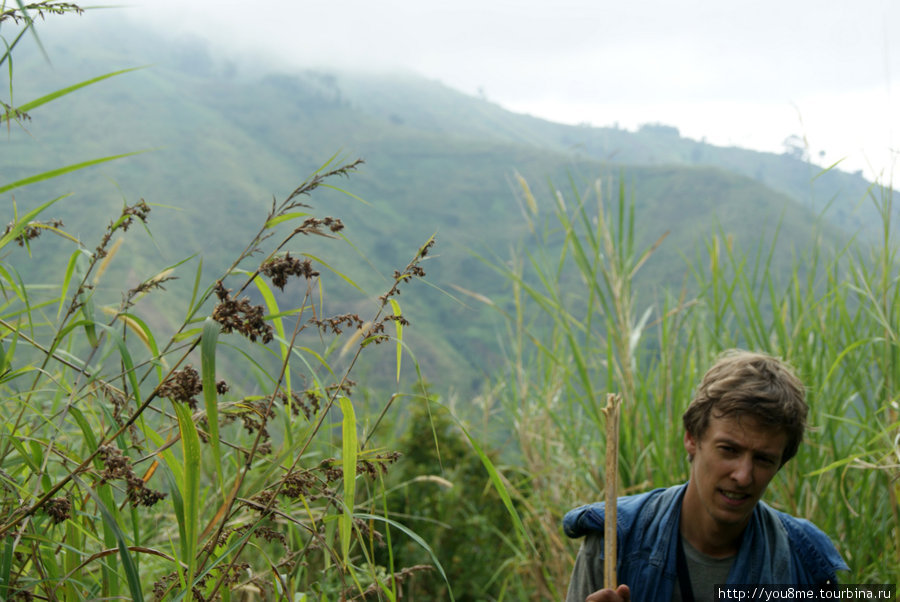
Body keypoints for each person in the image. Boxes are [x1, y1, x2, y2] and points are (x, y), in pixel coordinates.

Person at [563, 350, 848, 602]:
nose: (743, 476)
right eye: (728, 450)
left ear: (781, 463)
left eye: (763, 459)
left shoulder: (805, 560)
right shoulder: (615, 541)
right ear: (691, 437)